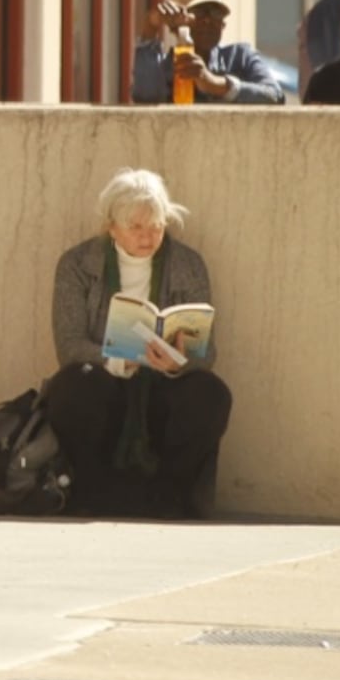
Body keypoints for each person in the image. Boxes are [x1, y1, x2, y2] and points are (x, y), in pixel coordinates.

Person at [45, 168, 233, 519]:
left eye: (157, 226)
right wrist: (120, 360)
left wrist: (179, 362)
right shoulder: (77, 265)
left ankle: (169, 496)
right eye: (136, 227)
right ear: (111, 227)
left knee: (210, 393)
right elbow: (69, 346)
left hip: (163, 387)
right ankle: (93, 492)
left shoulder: (188, 265)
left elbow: (207, 353)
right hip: (106, 383)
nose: (147, 238)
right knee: (74, 385)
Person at [130, 0, 287, 105]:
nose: (207, 21)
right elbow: (145, 98)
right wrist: (150, 27)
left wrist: (213, 83)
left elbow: (275, 95)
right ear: (175, 27)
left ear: (223, 25)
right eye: (197, 13)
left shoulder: (240, 57)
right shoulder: (165, 69)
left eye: (216, 13)